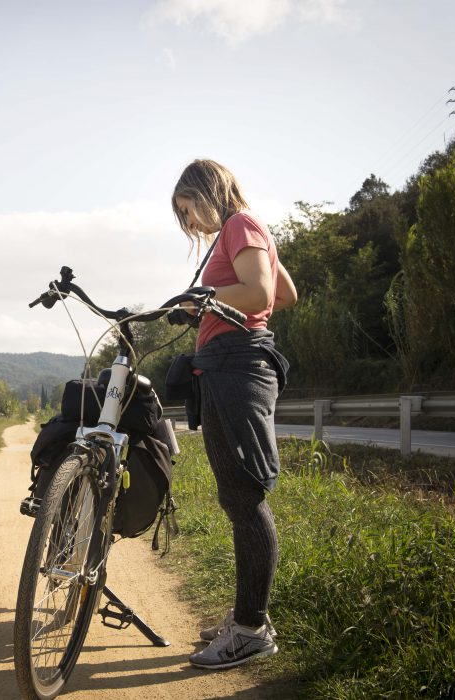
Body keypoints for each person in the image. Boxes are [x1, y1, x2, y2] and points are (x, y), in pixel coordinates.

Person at [171, 159, 297, 670]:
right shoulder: (245, 230)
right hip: (228, 363)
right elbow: (285, 293)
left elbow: (262, 295)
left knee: (244, 498)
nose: (193, 224)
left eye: (190, 210)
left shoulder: (239, 225)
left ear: (207, 193)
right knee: (236, 495)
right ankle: (250, 615)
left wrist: (201, 299)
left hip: (238, 363)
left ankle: (249, 630)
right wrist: (213, 303)